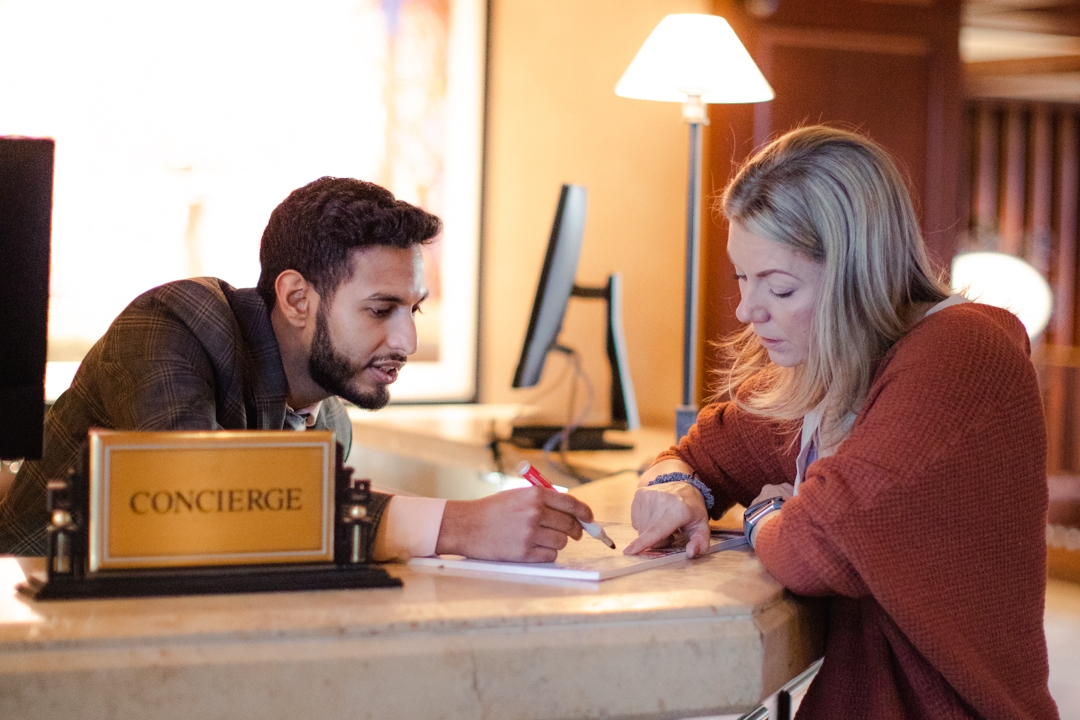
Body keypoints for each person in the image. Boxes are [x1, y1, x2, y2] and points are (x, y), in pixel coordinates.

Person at [624, 127, 1059, 719]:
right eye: (742, 279)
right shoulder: (831, 372)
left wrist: (767, 514)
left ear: (859, 273)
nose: (747, 311)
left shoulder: (961, 352)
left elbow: (815, 547)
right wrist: (675, 488)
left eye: (779, 287)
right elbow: (706, 451)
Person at [0, 177, 595, 563]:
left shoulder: (331, 417)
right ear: (295, 298)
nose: (407, 340)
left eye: (413, 310)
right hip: (36, 635)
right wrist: (459, 527)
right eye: (381, 309)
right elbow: (212, 509)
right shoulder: (173, 325)